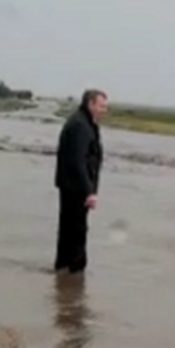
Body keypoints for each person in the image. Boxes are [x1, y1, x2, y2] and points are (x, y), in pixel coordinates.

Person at [54, 89, 107, 273]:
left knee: (69, 233)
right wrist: (89, 191)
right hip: (75, 189)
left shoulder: (83, 123)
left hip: (73, 186)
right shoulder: (80, 126)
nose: (103, 110)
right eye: (101, 106)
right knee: (76, 234)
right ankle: (74, 281)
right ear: (90, 103)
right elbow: (78, 161)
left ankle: (64, 270)